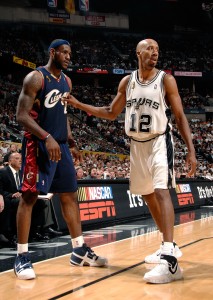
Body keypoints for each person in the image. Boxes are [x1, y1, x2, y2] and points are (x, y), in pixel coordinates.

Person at [64, 38, 197, 284]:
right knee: (147, 194)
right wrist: (79, 104)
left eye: (158, 49)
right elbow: (111, 112)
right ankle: (168, 245)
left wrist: (191, 150)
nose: (155, 52)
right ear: (138, 53)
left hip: (159, 140)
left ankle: (170, 259)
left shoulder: (166, 79)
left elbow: (179, 115)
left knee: (161, 191)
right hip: (136, 146)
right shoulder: (128, 81)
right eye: (150, 48)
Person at [14, 39, 107, 280]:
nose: (68, 56)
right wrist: (46, 137)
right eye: (64, 52)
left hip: (60, 145)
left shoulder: (67, 81)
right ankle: (22, 256)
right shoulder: (36, 78)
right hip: (38, 143)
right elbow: (21, 116)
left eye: (70, 53)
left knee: (69, 196)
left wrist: (71, 139)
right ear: (52, 52)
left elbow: (63, 112)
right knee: (29, 197)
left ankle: (78, 250)